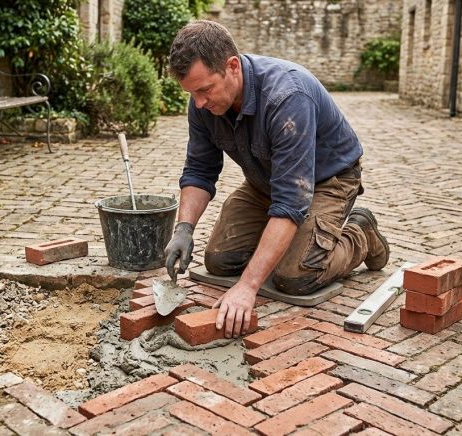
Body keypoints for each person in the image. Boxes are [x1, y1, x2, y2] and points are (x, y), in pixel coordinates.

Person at [163, 20, 390, 339]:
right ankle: (286, 242)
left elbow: (291, 201)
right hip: (267, 180)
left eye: (204, 90)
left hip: (328, 179)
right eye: (192, 93)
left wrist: (248, 286)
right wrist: (183, 230)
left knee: (295, 276)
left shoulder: (287, 96)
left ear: (232, 67)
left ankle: (360, 234)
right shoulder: (203, 102)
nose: (199, 102)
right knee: (219, 260)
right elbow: (200, 170)